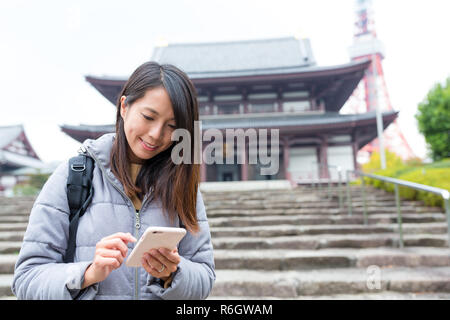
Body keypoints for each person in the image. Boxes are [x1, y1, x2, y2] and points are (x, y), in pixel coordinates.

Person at [12, 61, 216, 300]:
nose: (156, 134)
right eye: (149, 117)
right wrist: (88, 273)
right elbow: (26, 279)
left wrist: (173, 273)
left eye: (172, 126)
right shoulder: (73, 176)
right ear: (124, 106)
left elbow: (205, 276)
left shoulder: (181, 185)